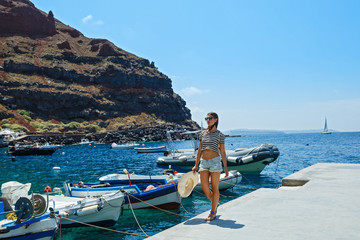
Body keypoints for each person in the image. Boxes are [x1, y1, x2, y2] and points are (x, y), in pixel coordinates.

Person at [192, 112, 228, 221]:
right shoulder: (202, 134)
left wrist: (226, 168)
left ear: (216, 120)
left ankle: (213, 212)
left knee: (214, 187)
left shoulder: (220, 135)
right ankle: (215, 202)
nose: (208, 120)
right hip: (203, 162)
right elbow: (199, 151)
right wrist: (195, 165)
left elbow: (222, 152)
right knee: (205, 187)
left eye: (210, 118)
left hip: (215, 162)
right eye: (206, 118)